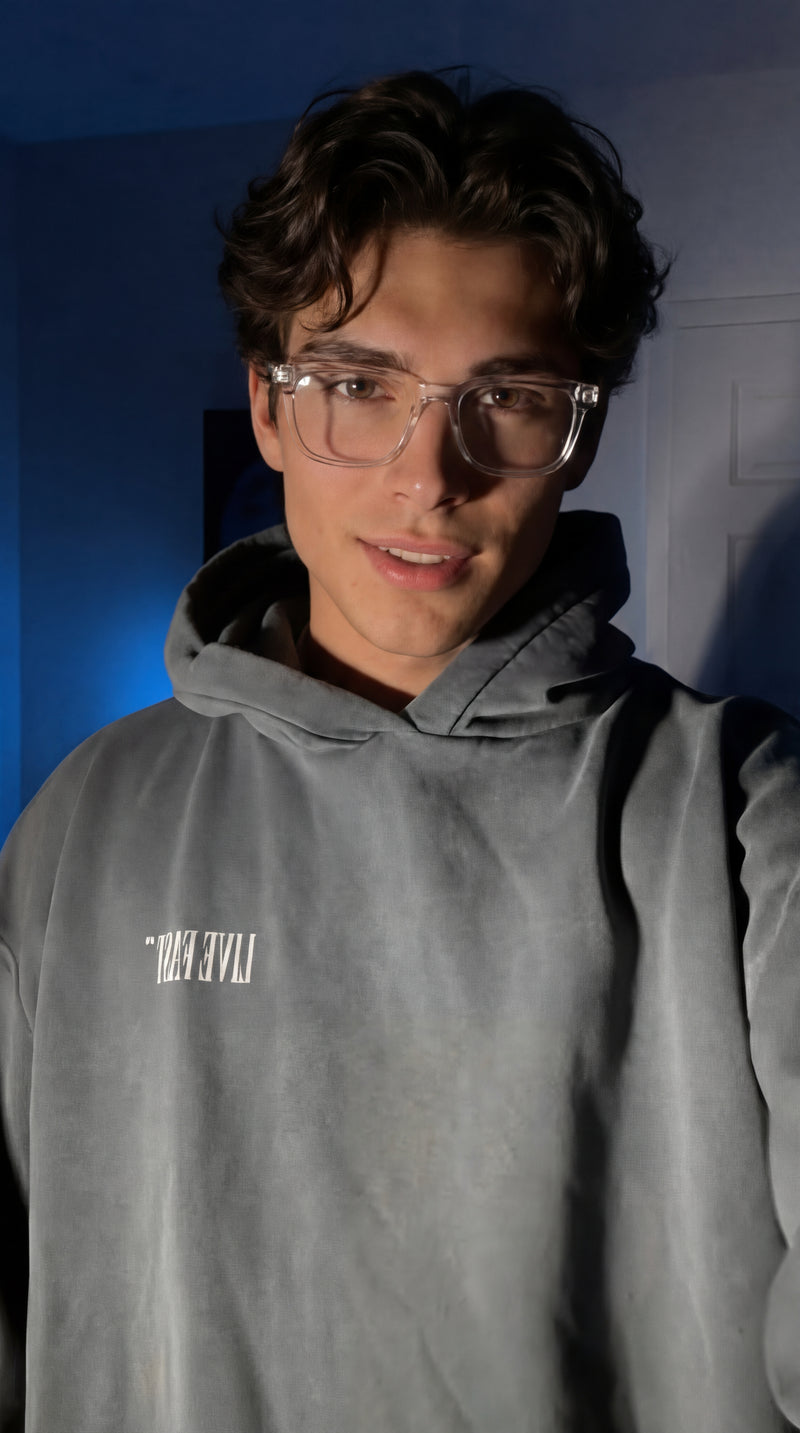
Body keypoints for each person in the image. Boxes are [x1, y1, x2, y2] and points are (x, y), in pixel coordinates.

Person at [1, 68, 799, 1433]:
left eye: (512, 394)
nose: (429, 475)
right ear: (268, 409)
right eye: (357, 384)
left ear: (580, 435)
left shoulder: (737, 820)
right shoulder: (88, 819)